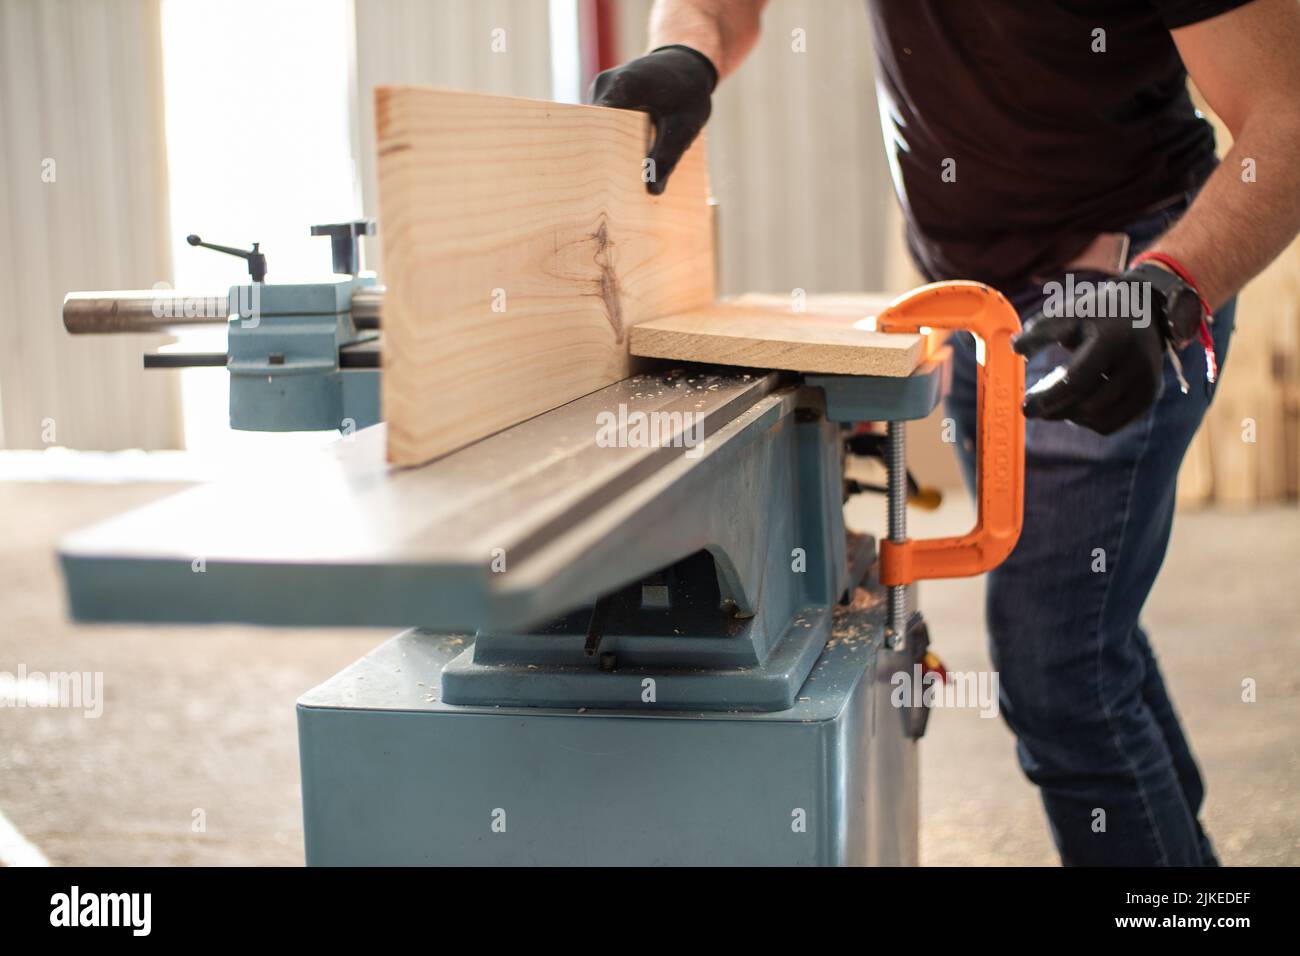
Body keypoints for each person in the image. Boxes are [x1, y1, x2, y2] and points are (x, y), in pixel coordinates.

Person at [591, 0, 1300, 866]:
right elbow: (719, 8)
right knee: (1080, 626)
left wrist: (1168, 291)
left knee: (1056, 664)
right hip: (973, 293)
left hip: (1125, 278)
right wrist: (687, 53)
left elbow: (1289, 116)